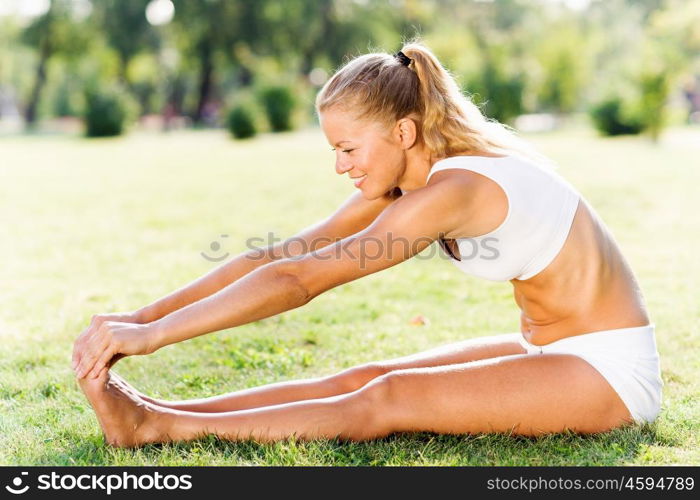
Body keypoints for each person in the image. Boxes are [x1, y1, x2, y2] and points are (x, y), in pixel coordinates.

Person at [71, 42, 662, 448]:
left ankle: (158, 428)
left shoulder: (454, 189)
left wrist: (150, 339)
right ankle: (154, 415)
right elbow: (285, 256)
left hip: (606, 371)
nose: (339, 166)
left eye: (349, 149)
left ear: (403, 132)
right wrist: (140, 317)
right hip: (546, 352)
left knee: (388, 396)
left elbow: (301, 283)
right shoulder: (412, 178)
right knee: (366, 374)